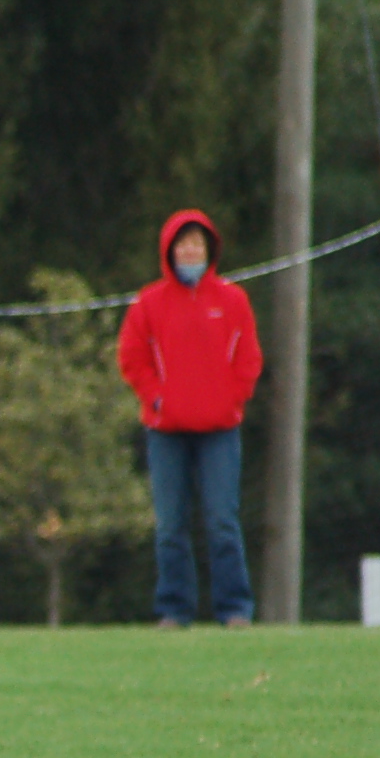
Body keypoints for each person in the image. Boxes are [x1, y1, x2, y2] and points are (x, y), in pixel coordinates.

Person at [116, 207, 262, 629]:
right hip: (166, 430)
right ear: (169, 251)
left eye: (197, 244)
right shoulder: (149, 303)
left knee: (222, 522)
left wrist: (232, 399)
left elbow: (249, 359)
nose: (190, 251)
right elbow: (132, 358)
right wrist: (157, 399)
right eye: (183, 245)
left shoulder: (233, 300)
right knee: (170, 526)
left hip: (220, 429)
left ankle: (234, 609)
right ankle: (174, 609)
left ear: (210, 249)